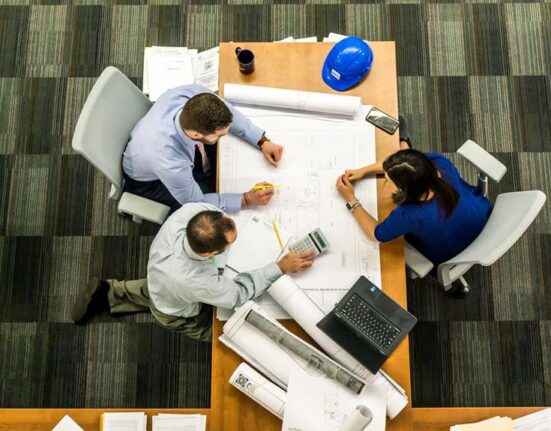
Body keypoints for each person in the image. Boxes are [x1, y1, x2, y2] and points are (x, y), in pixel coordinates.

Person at [71, 203, 315, 341]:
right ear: (211, 254)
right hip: (175, 309)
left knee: (157, 289)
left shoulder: (192, 213)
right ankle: (113, 295)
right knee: (222, 333)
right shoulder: (196, 281)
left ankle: (109, 292)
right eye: (230, 243)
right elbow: (238, 294)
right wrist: (280, 267)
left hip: (160, 276)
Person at [335, 119, 492, 295]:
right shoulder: (439, 164)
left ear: (404, 189)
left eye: (388, 180)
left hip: (451, 252)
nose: (386, 181)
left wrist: (351, 200)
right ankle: (404, 142)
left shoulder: (410, 214)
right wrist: (363, 171)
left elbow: (376, 234)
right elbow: (405, 163)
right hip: (482, 216)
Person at [122, 85, 284, 213]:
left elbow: (228, 111)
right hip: (150, 182)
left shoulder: (193, 95)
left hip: (150, 143)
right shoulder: (170, 163)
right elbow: (196, 202)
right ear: (195, 134)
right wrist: (246, 199)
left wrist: (261, 141)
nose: (224, 136)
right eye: (219, 135)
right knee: (207, 210)